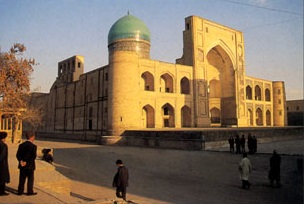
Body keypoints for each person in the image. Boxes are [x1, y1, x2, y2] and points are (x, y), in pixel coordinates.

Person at [16, 131, 37, 196]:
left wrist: (21, 161)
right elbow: (33, 156)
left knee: (22, 179)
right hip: (29, 165)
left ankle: (20, 191)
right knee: (30, 179)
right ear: (32, 137)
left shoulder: (21, 145)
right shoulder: (33, 146)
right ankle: (29, 191)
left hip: (22, 165)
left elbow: (18, 155)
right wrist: (26, 162)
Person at [0, 132, 10, 196]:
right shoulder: (3, 145)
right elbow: (2, 156)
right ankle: (1, 191)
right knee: (2, 178)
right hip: (2, 164)